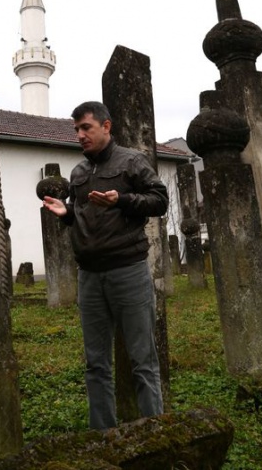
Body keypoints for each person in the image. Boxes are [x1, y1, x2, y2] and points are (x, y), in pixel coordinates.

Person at [43, 101, 168, 430]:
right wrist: (67, 213)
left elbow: (159, 200)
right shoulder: (79, 173)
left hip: (128, 271)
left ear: (106, 126)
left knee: (142, 360)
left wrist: (123, 199)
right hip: (89, 276)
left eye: (86, 128)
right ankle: (103, 436)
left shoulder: (131, 161)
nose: (80, 135)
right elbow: (84, 216)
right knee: (95, 363)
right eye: (76, 130)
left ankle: (155, 433)